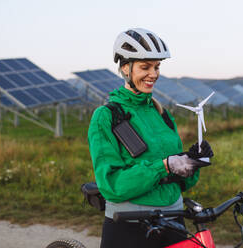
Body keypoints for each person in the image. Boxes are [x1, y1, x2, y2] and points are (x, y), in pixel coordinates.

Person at [88, 28, 214, 248]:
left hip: (173, 219)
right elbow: (111, 185)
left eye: (156, 67)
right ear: (125, 68)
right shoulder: (107, 117)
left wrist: (192, 162)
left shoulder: (161, 114)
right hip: (130, 224)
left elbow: (182, 183)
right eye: (145, 67)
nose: (153, 74)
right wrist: (164, 166)